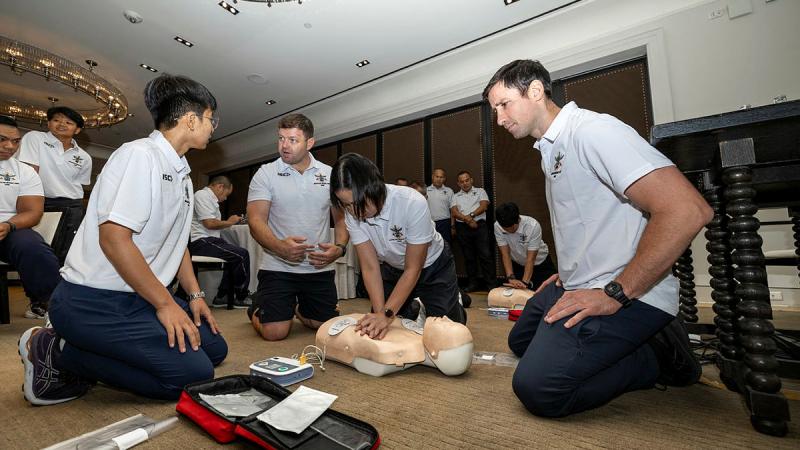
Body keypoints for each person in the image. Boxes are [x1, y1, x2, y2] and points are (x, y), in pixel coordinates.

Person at [484, 59, 712, 417]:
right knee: (520, 341)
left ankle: (655, 357)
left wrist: (616, 293)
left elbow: (687, 210)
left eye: (503, 105)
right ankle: (619, 336)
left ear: (536, 91)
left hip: (627, 293)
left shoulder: (592, 131)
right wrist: (569, 271)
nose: (498, 119)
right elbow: (593, 217)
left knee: (538, 389)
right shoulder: (550, 148)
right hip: (578, 282)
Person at [19, 74, 228, 405]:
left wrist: (195, 295)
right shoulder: (139, 156)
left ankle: (97, 346)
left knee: (215, 349)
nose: (212, 127)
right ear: (191, 119)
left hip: (141, 296)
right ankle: (57, 350)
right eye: (209, 118)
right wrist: (165, 304)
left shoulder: (183, 174)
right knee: (192, 376)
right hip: (95, 302)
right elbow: (114, 240)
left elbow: (177, 245)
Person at [330, 153, 466, 341]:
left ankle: (455, 302)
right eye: (346, 205)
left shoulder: (412, 202)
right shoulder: (352, 215)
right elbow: (370, 267)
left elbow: (413, 268)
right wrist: (381, 314)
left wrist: (386, 315)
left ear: (374, 187)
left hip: (433, 267)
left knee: (448, 336)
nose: (354, 211)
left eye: (358, 202)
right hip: (393, 268)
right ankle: (411, 306)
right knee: (380, 329)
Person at [246, 113, 348, 341]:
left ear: (309, 143)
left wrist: (340, 247)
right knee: (274, 333)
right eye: (281, 139)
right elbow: (255, 221)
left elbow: (341, 219)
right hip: (278, 266)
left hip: (317, 268)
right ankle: (256, 307)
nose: (284, 145)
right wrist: (279, 247)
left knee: (325, 328)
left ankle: (299, 309)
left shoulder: (329, 175)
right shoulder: (266, 173)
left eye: (292, 140)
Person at [0, 116, 61, 319]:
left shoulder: (24, 171)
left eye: (16, 141)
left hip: (9, 230)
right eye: (2, 139)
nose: (10, 146)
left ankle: (56, 306)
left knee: (32, 246)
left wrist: (8, 225)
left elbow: (32, 212)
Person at [17, 106, 92, 270]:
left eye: (68, 122)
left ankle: (61, 287)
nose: (61, 124)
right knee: (39, 248)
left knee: (67, 251)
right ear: (49, 123)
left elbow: (79, 183)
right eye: (56, 120)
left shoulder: (84, 157)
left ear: (77, 130)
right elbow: (29, 172)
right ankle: (43, 289)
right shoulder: (35, 138)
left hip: (72, 205)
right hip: (40, 201)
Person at [188, 175, 251, 308]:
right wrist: (229, 222)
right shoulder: (202, 195)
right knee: (241, 254)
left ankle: (222, 296)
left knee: (235, 254)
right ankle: (240, 297)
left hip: (210, 240)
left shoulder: (209, 199)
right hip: (201, 241)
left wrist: (228, 222)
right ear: (220, 186)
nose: (225, 198)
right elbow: (209, 223)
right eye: (226, 194)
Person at [494, 202, 556, 291]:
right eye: (505, 229)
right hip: (518, 264)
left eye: (511, 228)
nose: (509, 231)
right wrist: (511, 278)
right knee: (516, 295)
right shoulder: (498, 226)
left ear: (518, 220)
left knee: (548, 292)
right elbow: (505, 254)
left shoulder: (533, 226)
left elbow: (530, 259)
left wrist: (525, 283)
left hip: (540, 264)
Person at [450, 170, 494, 292]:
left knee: (485, 255)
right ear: (458, 183)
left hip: (480, 226)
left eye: (467, 180)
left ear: (471, 180)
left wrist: (471, 215)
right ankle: (472, 284)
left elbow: (484, 206)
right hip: (462, 228)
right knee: (469, 257)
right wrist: (468, 220)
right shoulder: (455, 196)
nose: (465, 183)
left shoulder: (480, 191)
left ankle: (490, 284)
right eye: (462, 182)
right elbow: (454, 212)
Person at [426, 168, 454, 244]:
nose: (439, 179)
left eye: (441, 177)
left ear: (444, 179)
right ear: (432, 177)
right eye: (437, 176)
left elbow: (453, 210)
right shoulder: (425, 190)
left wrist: (452, 226)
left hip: (445, 223)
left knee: (446, 245)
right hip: (429, 223)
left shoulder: (449, 191)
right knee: (431, 246)